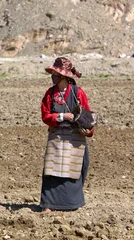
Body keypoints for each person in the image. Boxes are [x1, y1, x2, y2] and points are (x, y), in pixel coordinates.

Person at [40, 57, 94, 212]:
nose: (52, 77)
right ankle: (48, 204)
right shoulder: (50, 94)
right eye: (52, 74)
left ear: (64, 76)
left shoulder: (78, 93)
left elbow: (87, 115)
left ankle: (71, 204)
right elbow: (45, 116)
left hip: (75, 138)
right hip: (56, 136)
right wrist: (63, 117)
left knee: (73, 170)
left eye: (55, 74)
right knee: (52, 170)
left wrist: (88, 131)